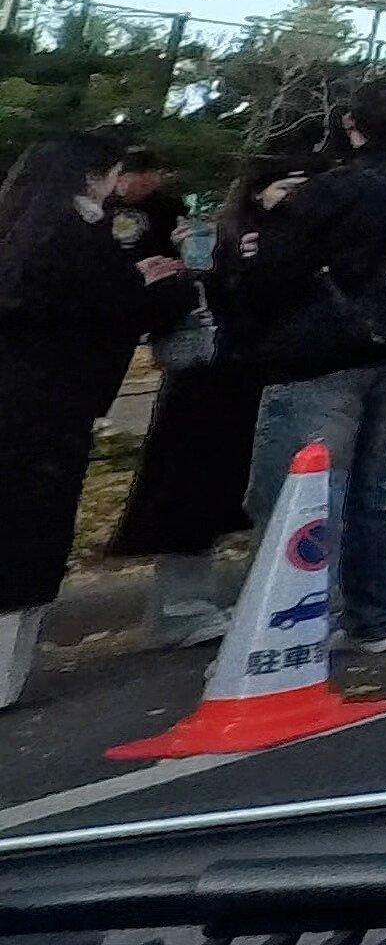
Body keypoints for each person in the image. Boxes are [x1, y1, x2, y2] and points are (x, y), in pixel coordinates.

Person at [230, 75, 386, 656]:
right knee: (385, 480)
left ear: (351, 124)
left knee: (303, 487)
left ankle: (292, 623)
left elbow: (273, 277)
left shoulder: (331, 192)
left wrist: (260, 244)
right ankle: (381, 616)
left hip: (323, 350)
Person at [0, 133, 199, 708]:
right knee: (31, 532)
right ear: (91, 177)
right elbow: (117, 307)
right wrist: (164, 284)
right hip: (51, 404)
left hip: (17, 393)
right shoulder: (76, 235)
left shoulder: (16, 226)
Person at [110, 151, 287, 646]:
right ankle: (181, 608)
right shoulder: (219, 238)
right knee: (193, 489)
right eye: (286, 187)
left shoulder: (306, 236)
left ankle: (232, 601)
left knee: (234, 490)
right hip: (209, 378)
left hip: (253, 376)